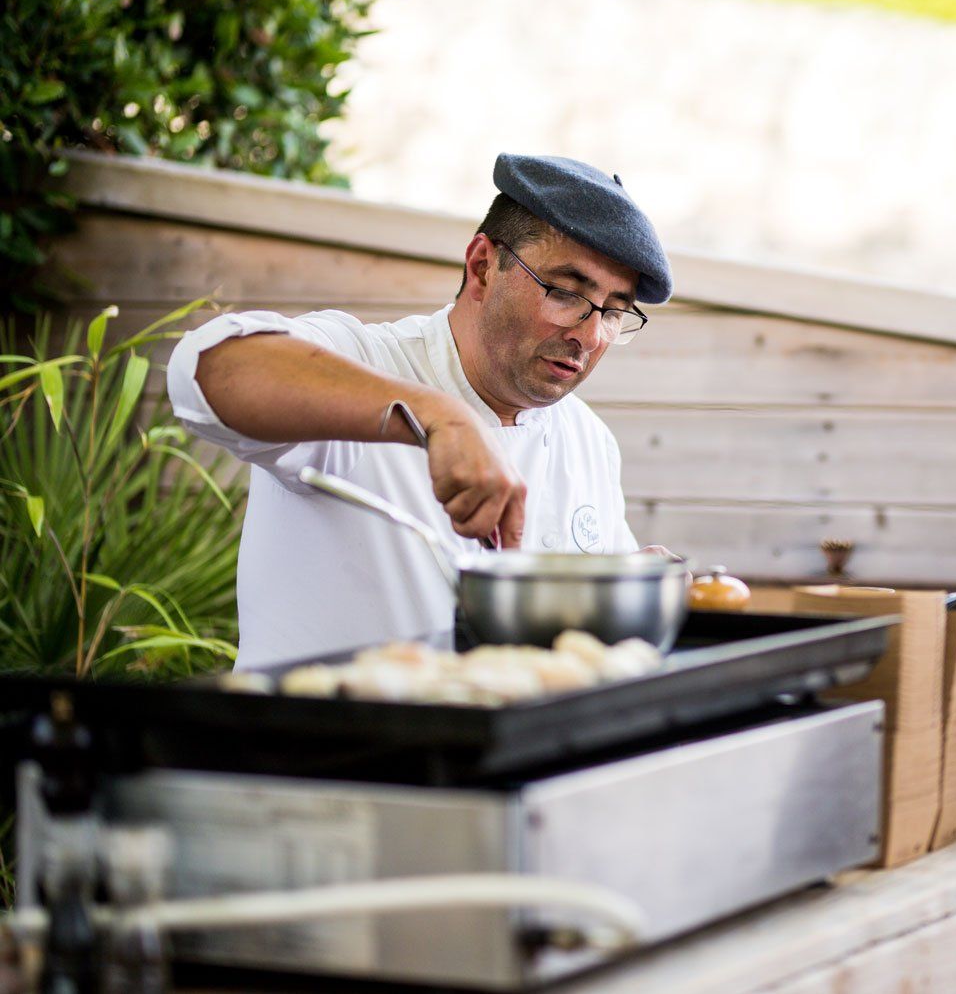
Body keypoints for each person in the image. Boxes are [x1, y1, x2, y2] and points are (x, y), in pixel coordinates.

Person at [167, 154, 674, 669]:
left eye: (614, 311)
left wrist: (625, 590)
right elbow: (207, 368)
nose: (590, 335)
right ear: (482, 267)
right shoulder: (367, 360)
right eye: (566, 292)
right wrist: (438, 416)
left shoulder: (589, 440)